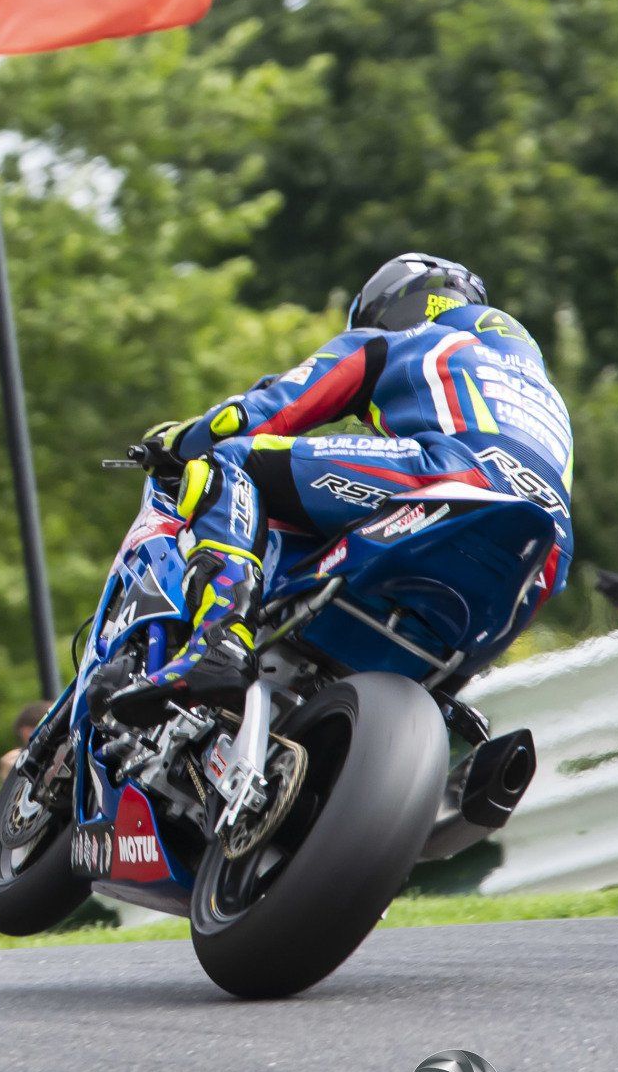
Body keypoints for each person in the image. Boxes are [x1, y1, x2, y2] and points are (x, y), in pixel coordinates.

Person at [109, 253, 574, 725]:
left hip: (448, 476)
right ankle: (441, 730)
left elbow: (257, 415)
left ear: (390, 309)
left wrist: (178, 442)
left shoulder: (403, 341)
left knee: (227, 461)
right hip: (545, 557)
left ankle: (219, 638)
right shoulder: (548, 398)